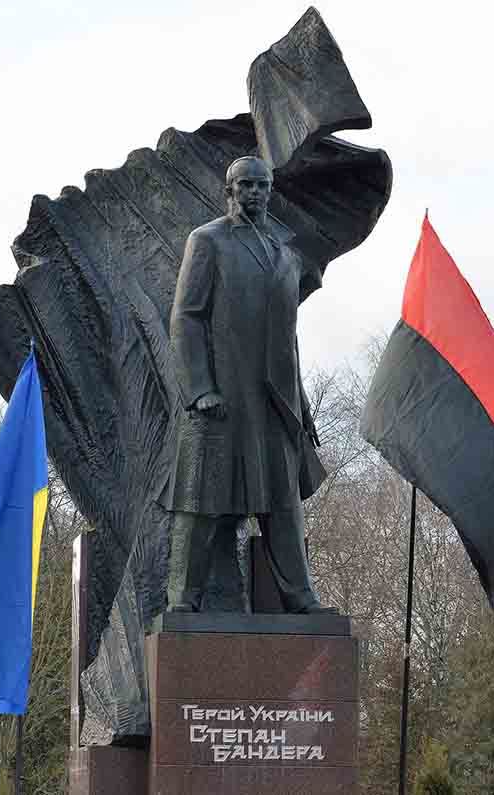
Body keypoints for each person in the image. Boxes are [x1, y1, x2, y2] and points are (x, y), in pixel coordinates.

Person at [163, 155, 334, 614]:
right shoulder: (208, 241)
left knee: (283, 504)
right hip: (221, 396)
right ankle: (183, 599)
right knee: (202, 500)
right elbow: (186, 317)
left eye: (262, 185)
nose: (255, 192)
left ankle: (299, 597)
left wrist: (302, 406)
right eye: (246, 185)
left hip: (273, 401)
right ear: (230, 190)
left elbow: (287, 337)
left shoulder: (284, 248)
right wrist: (199, 389)